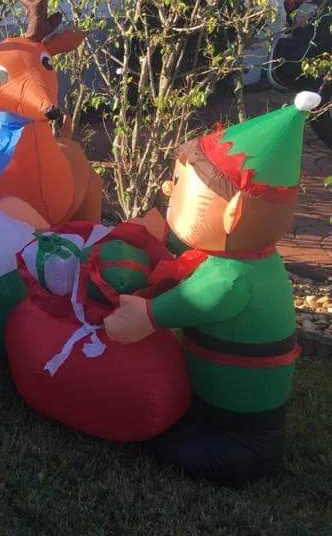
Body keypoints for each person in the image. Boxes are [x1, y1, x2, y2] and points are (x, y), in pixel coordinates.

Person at [104, 92, 322, 486]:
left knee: (173, 448)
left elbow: (191, 299)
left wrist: (146, 315)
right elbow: (189, 246)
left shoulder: (233, 277)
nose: (167, 190)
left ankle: (243, 451)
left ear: (232, 213)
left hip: (241, 430)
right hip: (211, 399)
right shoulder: (243, 254)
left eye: (179, 187)